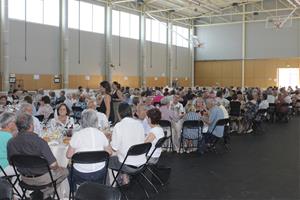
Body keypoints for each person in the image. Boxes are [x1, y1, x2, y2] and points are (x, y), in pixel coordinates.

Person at [7, 113, 68, 199]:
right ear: (31, 126)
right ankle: (45, 193)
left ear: (17, 126)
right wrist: (58, 168)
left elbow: (11, 162)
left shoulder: (11, 142)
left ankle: (38, 194)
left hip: (24, 177)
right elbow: (53, 165)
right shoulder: (40, 142)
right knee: (65, 171)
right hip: (42, 178)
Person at [66, 109, 110, 192]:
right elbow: (110, 152)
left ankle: (74, 192)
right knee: (106, 168)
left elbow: (68, 155)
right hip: (99, 173)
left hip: (80, 174)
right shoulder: (101, 134)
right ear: (96, 121)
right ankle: (105, 192)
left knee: (68, 167)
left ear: (82, 121)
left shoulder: (77, 135)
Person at [108, 102, 145, 185]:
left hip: (127, 164)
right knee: (123, 151)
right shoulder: (139, 124)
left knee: (110, 157)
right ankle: (125, 177)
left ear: (119, 113)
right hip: (141, 162)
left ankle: (112, 185)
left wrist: (109, 141)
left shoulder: (119, 126)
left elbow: (114, 147)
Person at [0, 112, 17, 177]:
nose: (17, 124)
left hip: (2, 166)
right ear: (9, 124)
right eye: (15, 122)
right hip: (4, 167)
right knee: (27, 169)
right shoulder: (10, 137)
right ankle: (16, 186)